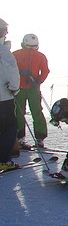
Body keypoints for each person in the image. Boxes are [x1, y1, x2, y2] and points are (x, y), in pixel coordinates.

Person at [13, 34, 50, 149]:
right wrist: (19, 74)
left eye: (34, 47)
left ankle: (40, 138)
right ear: (24, 44)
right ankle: (19, 138)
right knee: (18, 112)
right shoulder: (16, 55)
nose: (32, 49)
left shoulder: (40, 56)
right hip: (19, 88)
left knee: (37, 111)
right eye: (29, 46)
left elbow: (45, 71)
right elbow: (9, 68)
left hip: (33, 88)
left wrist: (38, 80)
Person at [0, 18, 21, 171]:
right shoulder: (3, 51)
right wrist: (14, 88)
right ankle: (3, 160)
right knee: (8, 127)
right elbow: (12, 71)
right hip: (3, 97)